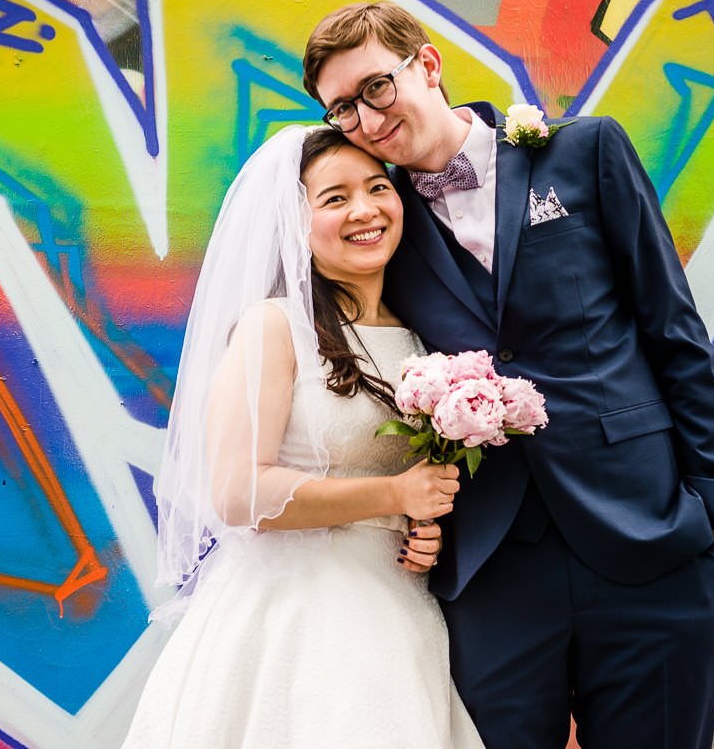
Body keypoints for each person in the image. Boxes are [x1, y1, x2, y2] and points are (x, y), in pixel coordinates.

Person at [302, 2, 714, 749]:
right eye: (342, 109)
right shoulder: (382, 226)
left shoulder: (585, 152)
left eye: (375, 88)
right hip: (491, 566)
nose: (367, 120)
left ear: (429, 66)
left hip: (649, 538)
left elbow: (673, 330)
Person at [120, 124, 486, 748]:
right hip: (291, 623)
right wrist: (396, 497)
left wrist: (423, 527)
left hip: (397, 615)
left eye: (377, 187)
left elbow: (404, 479)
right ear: (295, 220)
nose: (365, 210)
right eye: (334, 197)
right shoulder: (273, 328)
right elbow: (238, 494)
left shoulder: (425, 341)